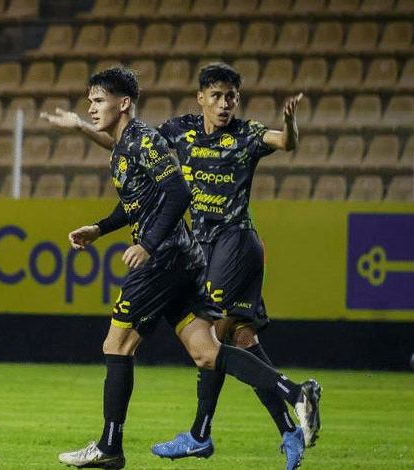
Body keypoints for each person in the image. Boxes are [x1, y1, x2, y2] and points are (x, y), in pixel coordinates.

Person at [43, 62, 317, 470]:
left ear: (124, 103)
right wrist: (100, 228)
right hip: (189, 255)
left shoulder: (144, 141)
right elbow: (139, 201)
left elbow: (177, 191)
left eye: (98, 101)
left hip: (176, 255)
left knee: (116, 345)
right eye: (89, 102)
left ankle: (110, 446)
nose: (92, 107)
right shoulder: (138, 142)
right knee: (208, 351)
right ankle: (294, 393)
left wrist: (148, 245)